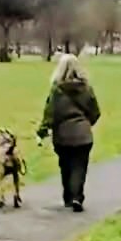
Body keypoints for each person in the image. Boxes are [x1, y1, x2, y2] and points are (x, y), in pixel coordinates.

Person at [39, 53, 101, 212]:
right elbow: (95, 112)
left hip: (62, 136)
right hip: (83, 135)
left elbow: (50, 113)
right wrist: (86, 124)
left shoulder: (57, 91)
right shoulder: (86, 89)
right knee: (79, 167)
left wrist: (43, 130)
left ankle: (68, 196)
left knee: (65, 166)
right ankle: (77, 197)